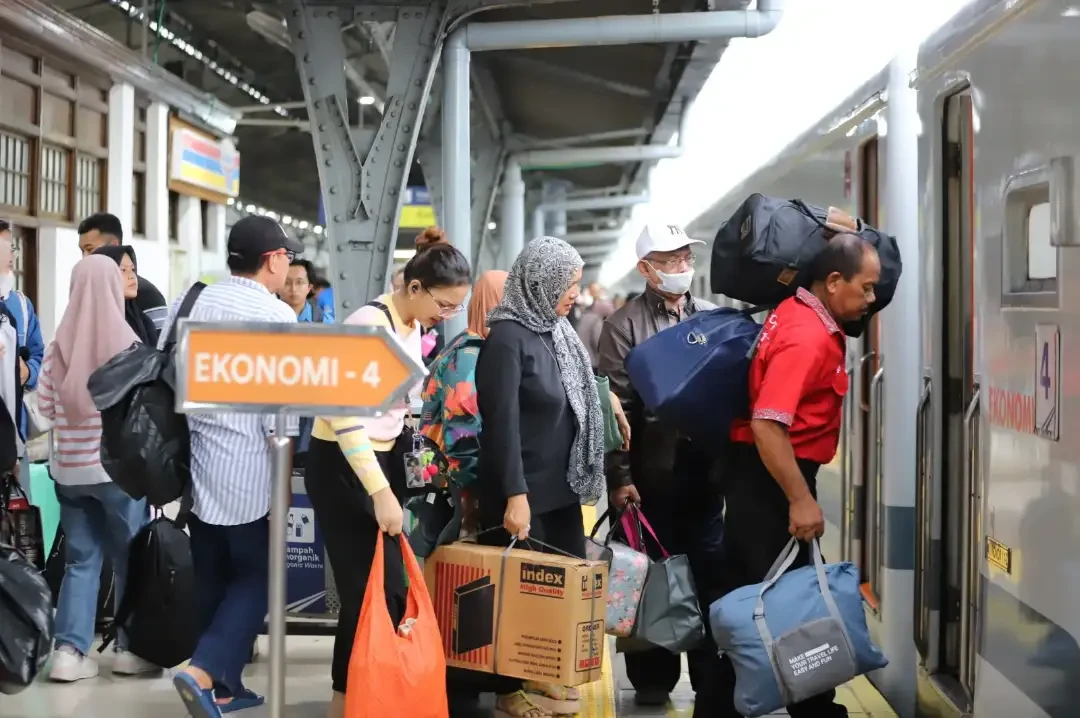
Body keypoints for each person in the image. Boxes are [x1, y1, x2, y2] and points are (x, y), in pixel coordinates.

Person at [704, 234, 880, 718]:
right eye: (865, 289)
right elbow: (768, 424)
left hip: (762, 478)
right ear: (834, 281)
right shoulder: (806, 337)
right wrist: (800, 499)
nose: (870, 300)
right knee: (776, 606)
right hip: (772, 482)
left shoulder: (799, 312)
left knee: (759, 601)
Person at [306, 226, 470, 718]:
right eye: (443, 306)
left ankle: (354, 698)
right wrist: (379, 491)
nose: (445, 318)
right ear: (415, 288)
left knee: (378, 590)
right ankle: (351, 701)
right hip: (344, 465)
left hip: (383, 457)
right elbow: (343, 414)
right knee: (370, 590)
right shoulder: (367, 325)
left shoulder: (411, 323)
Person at [164, 216, 303, 717]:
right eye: (288, 256)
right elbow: (283, 409)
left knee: (213, 575)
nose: (290, 264)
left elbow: (166, 371)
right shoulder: (278, 317)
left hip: (195, 459)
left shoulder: (193, 298)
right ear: (272, 260)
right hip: (250, 463)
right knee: (257, 578)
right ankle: (202, 671)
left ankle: (224, 686)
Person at [475, 236, 606, 718]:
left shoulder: (555, 329)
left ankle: (538, 669)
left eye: (575, 283)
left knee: (554, 591)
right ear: (540, 281)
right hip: (523, 490)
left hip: (561, 487)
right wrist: (515, 495)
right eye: (567, 283)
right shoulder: (508, 339)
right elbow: (502, 428)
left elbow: (579, 390)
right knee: (516, 593)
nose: (574, 293)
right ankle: (508, 690)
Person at [597, 222, 719, 708]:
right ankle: (652, 677)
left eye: (687, 257)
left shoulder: (708, 318)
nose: (683, 267)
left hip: (706, 477)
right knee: (650, 578)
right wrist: (620, 478)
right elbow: (615, 409)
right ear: (646, 269)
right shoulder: (623, 326)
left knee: (709, 574)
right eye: (671, 260)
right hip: (650, 478)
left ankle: (711, 676)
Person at [37, 255, 154, 682]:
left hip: (69, 472)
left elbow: (46, 408)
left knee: (80, 561)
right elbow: (143, 419)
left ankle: (69, 652)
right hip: (117, 474)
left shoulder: (56, 347)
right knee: (129, 560)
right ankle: (129, 649)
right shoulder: (130, 348)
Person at [418, 270, 509, 537]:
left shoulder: (470, 344)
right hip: (452, 484)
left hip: (446, 476)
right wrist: (473, 494)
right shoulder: (470, 353)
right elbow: (462, 426)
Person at [0, 220, 42, 493]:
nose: (10, 255)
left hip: (15, 438)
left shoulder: (21, 306)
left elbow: (40, 355)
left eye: (11, 247)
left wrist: (28, 372)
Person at [78, 213, 168, 335]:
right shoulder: (87, 291)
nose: (85, 257)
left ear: (113, 245)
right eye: (82, 251)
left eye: (90, 249)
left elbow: (162, 347)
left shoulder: (147, 295)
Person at [92, 245, 159, 344]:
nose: (132, 276)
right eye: (123, 270)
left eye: (132, 269)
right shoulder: (92, 323)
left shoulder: (143, 322)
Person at [282, 258, 332, 324]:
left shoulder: (324, 321)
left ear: (309, 287)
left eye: (299, 282)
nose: (293, 289)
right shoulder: (268, 316)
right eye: (287, 282)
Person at [575, 296, 614, 372]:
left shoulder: (584, 316)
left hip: (579, 357)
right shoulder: (596, 320)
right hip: (591, 360)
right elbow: (598, 341)